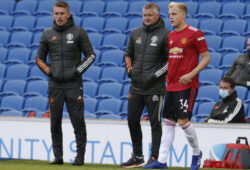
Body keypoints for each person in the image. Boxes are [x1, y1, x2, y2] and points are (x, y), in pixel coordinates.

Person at [144, 2, 210, 170]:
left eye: (174, 14)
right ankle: (162, 161)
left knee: (183, 120)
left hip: (187, 85)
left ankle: (196, 154)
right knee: (169, 122)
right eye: (169, 13)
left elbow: (206, 58)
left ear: (183, 15)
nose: (171, 17)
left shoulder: (195, 34)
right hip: (171, 85)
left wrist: (191, 74)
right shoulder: (171, 36)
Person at [36, 1, 96, 166]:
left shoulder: (78, 32)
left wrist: (76, 71)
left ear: (68, 14)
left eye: (62, 13)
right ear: (53, 15)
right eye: (56, 13)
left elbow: (91, 55)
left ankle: (80, 157)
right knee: (54, 122)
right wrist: (50, 72)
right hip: (55, 86)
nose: (59, 17)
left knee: (77, 121)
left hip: (74, 85)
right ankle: (58, 157)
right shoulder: (47, 34)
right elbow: (39, 58)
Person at [120, 2, 169, 168]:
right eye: (145, 15)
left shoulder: (165, 34)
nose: (147, 18)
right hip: (136, 86)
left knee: (155, 123)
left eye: (150, 15)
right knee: (132, 120)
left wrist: (154, 75)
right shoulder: (135, 33)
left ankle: (155, 157)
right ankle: (138, 156)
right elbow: (128, 54)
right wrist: (130, 71)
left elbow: (169, 62)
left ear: (157, 16)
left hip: (155, 88)